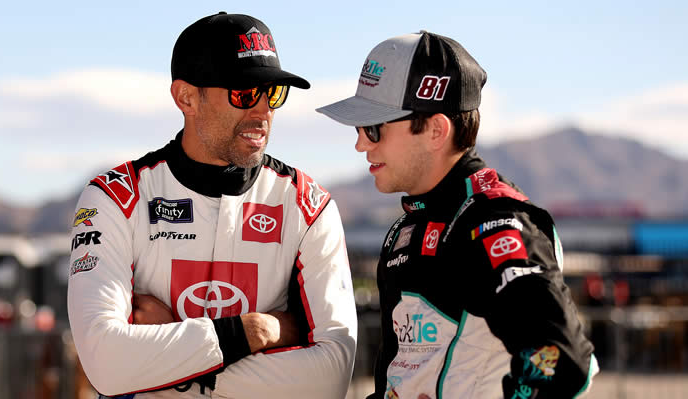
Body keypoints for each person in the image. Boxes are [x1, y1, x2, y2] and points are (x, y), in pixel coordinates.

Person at [66, 11, 358, 399]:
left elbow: (331, 378)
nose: (262, 111)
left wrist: (170, 356)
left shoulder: (308, 205)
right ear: (186, 97)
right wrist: (259, 330)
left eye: (273, 93)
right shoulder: (115, 198)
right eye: (244, 93)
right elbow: (105, 365)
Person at [317, 31, 599, 398]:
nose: (360, 144)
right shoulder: (407, 228)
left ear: (435, 130)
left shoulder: (492, 221)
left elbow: (561, 362)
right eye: (359, 128)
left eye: (374, 129)